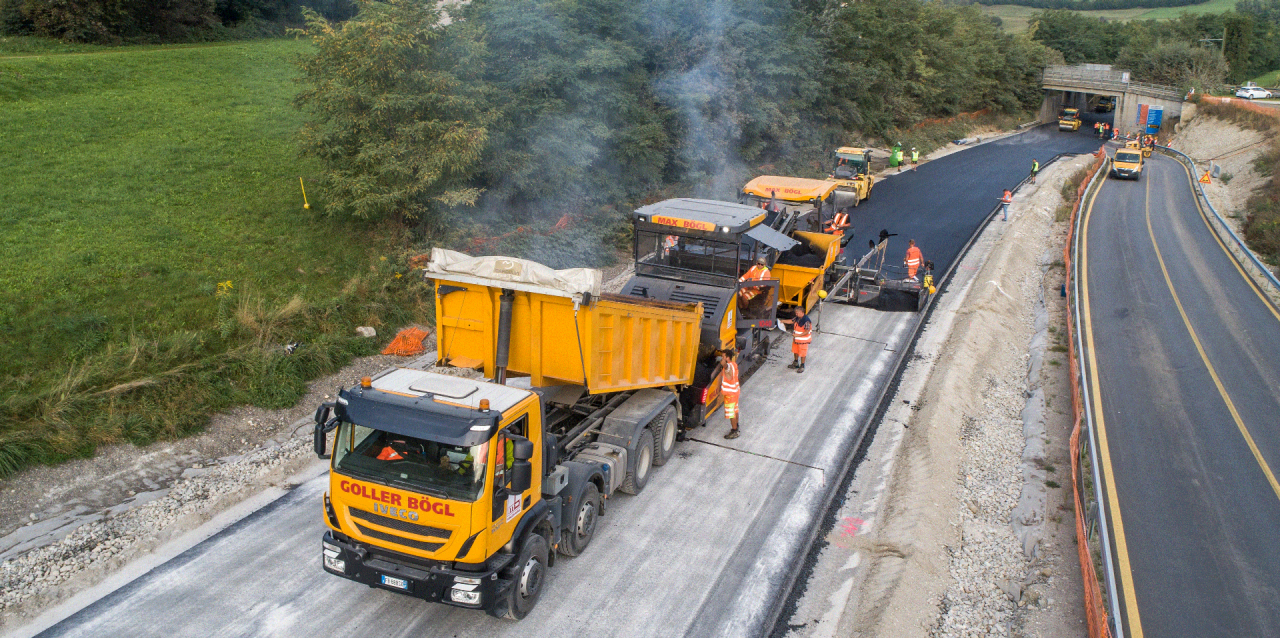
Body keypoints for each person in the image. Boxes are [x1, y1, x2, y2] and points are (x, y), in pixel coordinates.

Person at [719, 349, 741, 439]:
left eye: (723, 356)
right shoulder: (734, 364)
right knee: (735, 410)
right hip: (735, 392)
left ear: (727, 358)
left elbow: (725, 366)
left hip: (730, 395)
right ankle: (736, 425)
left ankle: (734, 431)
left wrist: (722, 362)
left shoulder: (728, 367)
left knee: (731, 414)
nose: (722, 358)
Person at [787, 307, 813, 373]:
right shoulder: (798, 318)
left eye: (797, 313)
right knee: (795, 351)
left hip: (803, 341)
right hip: (796, 340)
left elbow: (806, 331)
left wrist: (797, 335)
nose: (796, 314)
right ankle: (795, 363)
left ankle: (802, 365)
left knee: (802, 353)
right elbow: (791, 321)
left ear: (802, 312)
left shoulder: (806, 321)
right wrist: (782, 321)